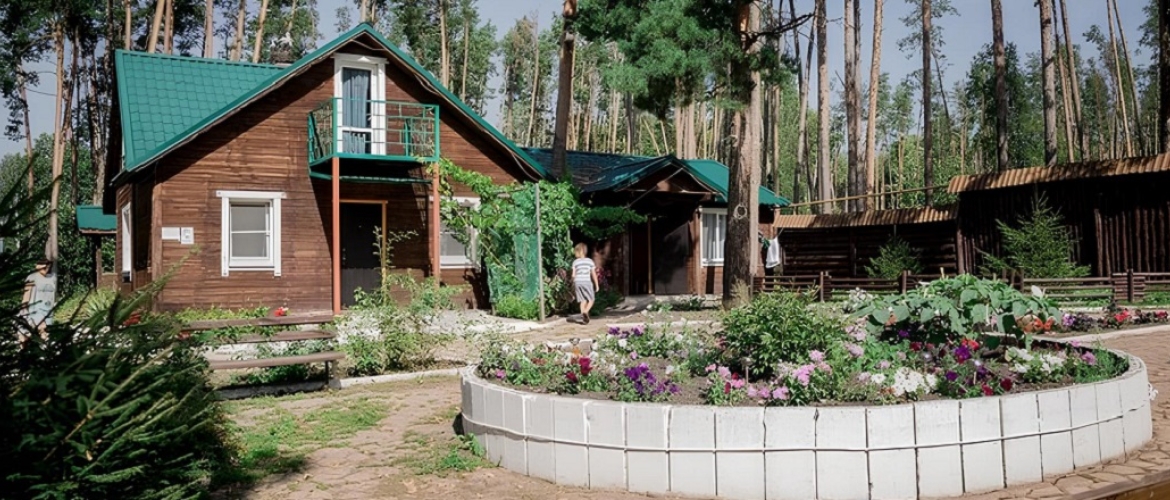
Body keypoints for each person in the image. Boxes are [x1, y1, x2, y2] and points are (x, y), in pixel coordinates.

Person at [21, 259, 57, 340]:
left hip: (48, 309)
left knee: (46, 330)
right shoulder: (32, 277)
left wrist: (54, 303)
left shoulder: (53, 277)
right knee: (42, 327)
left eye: (48, 267)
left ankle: (39, 344)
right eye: (44, 267)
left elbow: (53, 293)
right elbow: (26, 294)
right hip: (35, 309)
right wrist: (24, 307)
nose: (46, 269)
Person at [570, 243, 599, 324]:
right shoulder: (590, 261)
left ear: (580, 251)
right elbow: (593, 274)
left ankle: (584, 319)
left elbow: (573, 275)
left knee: (583, 300)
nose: (575, 253)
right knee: (591, 300)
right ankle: (585, 312)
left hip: (578, 282)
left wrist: (572, 283)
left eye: (576, 251)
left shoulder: (575, 262)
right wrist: (597, 285)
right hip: (587, 282)